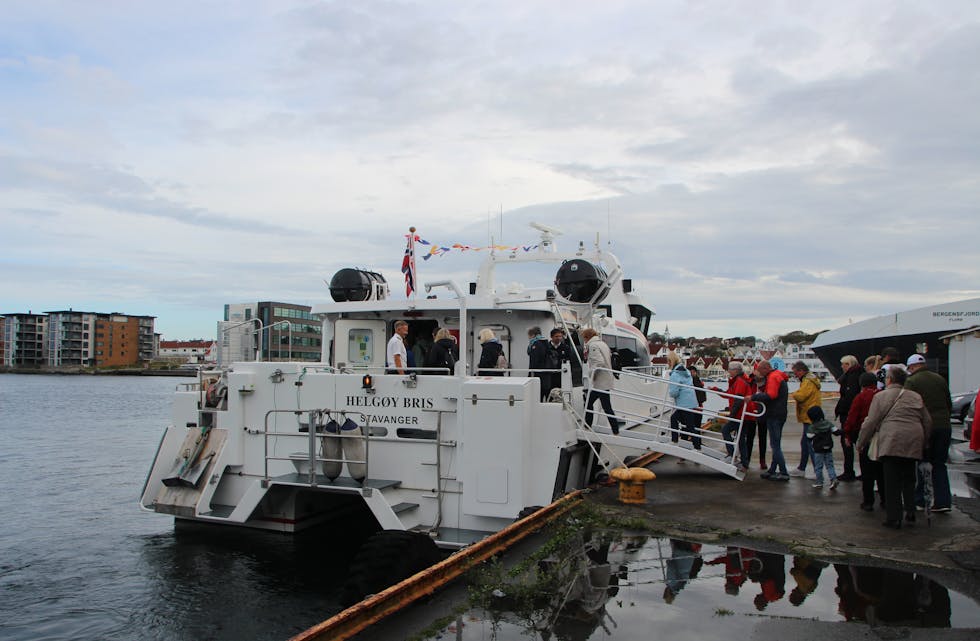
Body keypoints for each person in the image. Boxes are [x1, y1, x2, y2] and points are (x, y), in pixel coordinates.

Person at [856, 366, 932, 529]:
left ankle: (894, 517)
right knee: (909, 478)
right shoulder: (915, 396)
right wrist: (924, 441)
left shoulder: (881, 396)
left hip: (892, 439)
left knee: (892, 480)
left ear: (889, 380)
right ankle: (910, 512)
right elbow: (927, 421)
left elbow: (871, 422)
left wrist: (861, 442)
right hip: (913, 438)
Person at [904, 353, 954, 513]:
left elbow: (908, 406)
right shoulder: (939, 379)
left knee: (923, 463)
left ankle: (920, 500)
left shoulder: (911, 381)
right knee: (940, 464)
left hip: (926, 427)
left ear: (911, 367)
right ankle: (943, 501)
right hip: (944, 426)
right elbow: (948, 402)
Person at [846, 372, 883, 511]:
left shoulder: (861, 397)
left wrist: (848, 434)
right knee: (881, 470)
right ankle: (885, 499)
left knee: (867, 471)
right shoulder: (882, 394)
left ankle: (868, 501)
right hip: (882, 436)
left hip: (865, 435)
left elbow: (852, 417)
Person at [752, 360, 791, 481]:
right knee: (775, 443)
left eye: (759, 370)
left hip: (774, 414)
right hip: (780, 413)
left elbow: (771, 395)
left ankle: (784, 472)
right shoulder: (778, 376)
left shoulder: (773, 377)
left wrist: (753, 397)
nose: (758, 372)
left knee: (775, 444)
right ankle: (773, 469)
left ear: (765, 369)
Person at [581, 328, 621, 435]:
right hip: (605, 379)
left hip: (601, 381)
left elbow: (599, 362)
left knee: (600, 405)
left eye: (584, 338)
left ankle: (589, 426)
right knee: (597, 404)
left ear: (587, 337)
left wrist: (591, 373)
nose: (584, 341)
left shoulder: (593, 345)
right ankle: (614, 429)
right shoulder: (602, 343)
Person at [712, 362, 752, 465]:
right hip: (742, 414)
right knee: (740, 439)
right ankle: (741, 461)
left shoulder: (740, 381)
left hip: (741, 415)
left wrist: (732, 415)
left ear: (735, 371)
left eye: (730, 369)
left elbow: (738, 400)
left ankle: (733, 456)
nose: (728, 371)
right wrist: (717, 390)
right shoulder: (737, 381)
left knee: (727, 431)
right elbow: (729, 394)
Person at [790, 361, 822, 478]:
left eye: (796, 373)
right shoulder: (810, 380)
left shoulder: (807, 381)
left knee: (809, 444)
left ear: (801, 371)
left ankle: (816, 471)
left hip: (809, 416)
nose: (795, 375)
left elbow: (801, 396)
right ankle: (802, 468)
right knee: (805, 443)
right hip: (810, 415)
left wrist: (793, 394)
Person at [835, 355, 863, 481]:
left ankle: (849, 471)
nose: (841, 367)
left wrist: (843, 409)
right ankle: (860, 470)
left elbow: (850, 397)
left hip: (848, 414)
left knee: (847, 442)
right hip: (852, 413)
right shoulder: (857, 375)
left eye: (843, 364)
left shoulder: (852, 377)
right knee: (856, 442)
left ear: (849, 364)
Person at [667, 352, 700, 451]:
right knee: (678, 420)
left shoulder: (675, 374)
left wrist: (671, 394)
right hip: (689, 401)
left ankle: (696, 446)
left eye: (668, 361)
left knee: (687, 425)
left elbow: (674, 391)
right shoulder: (685, 371)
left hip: (683, 403)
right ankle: (676, 440)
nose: (668, 363)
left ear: (671, 361)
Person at [806, 406, 839, 490]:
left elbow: (809, 437)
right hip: (828, 448)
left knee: (818, 466)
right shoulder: (827, 423)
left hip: (818, 449)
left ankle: (819, 482)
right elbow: (836, 431)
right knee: (830, 465)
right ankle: (833, 478)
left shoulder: (812, 427)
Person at [526, 326, 551, 400]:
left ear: (533, 335)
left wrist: (530, 374)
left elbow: (534, 360)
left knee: (537, 396)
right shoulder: (545, 342)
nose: (528, 337)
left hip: (538, 374)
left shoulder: (536, 344)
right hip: (545, 374)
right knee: (545, 394)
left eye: (529, 335)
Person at [545, 327, 571, 397]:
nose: (559, 338)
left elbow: (568, 358)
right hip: (549, 375)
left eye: (560, 336)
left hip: (561, 375)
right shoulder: (546, 347)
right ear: (551, 337)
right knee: (549, 393)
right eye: (556, 336)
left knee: (560, 393)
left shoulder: (565, 347)